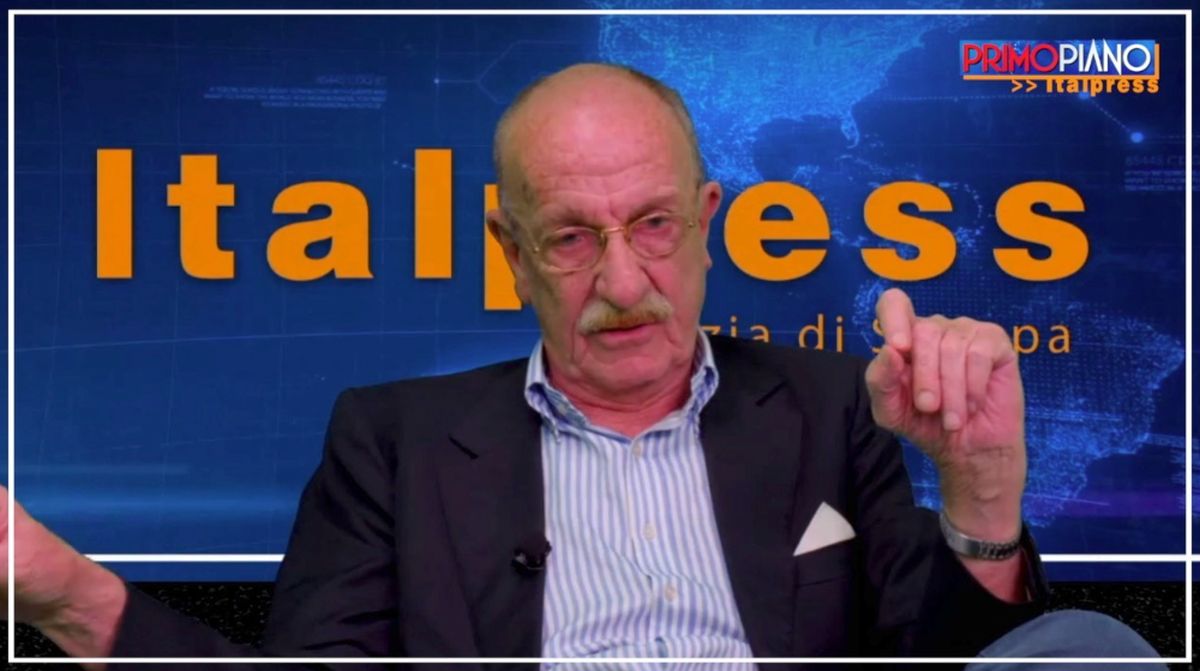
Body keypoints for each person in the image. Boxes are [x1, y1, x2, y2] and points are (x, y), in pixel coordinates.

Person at [2, 63, 1165, 670]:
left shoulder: (822, 406)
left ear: (706, 222)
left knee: (1099, 655)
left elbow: (952, 665)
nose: (620, 278)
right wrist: (75, 599)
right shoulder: (393, 440)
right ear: (511, 252)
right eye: (569, 236)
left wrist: (982, 494)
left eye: (653, 224)